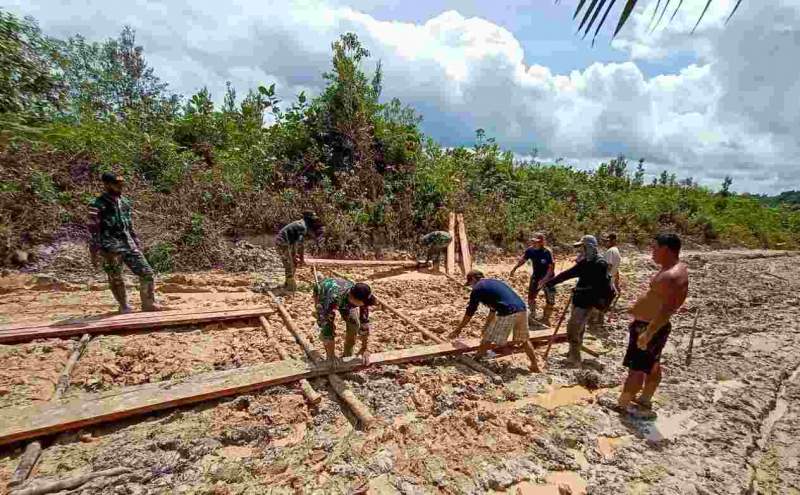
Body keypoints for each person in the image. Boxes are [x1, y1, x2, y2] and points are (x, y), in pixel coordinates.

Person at [616, 233, 688, 417]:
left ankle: (623, 406)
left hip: (649, 327)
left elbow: (668, 309)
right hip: (651, 326)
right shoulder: (672, 270)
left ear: (665, 249)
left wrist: (648, 333)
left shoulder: (672, 275)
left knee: (637, 367)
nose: (652, 252)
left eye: (655, 248)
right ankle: (645, 399)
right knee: (652, 363)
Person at [87, 172, 166, 313]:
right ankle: (123, 306)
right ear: (106, 185)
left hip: (128, 244)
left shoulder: (124, 202)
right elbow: (93, 229)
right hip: (109, 246)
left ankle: (148, 303)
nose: (120, 187)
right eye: (116, 184)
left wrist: (136, 242)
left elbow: (129, 226)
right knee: (116, 277)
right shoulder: (97, 204)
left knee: (147, 272)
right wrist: (94, 250)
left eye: (121, 184)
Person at [543, 235, 615, 367]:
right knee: (579, 329)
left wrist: (594, 301)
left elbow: (603, 287)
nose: (580, 251)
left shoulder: (600, 264)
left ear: (589, 247)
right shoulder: (584, 263)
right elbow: (568, 274)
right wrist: (551, 283)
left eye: (582, 248)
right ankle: (573, 352)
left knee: (572, 328)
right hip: (578, 299)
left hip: (587, 302)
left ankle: (575, 359)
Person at [448, 270, 541, 372]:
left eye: (470, 283)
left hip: (508, 311)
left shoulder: (477, 289)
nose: (471, 286)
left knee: (488, 338)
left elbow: (470, 311)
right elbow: (493, 309)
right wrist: (487, 325)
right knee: (524, 340)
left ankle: (476, 359)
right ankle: (534, 365)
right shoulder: (494, 283)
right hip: (522, 309)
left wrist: (458, 329)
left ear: (473, 279)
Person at [313, 277, 377, 366]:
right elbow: (327, 327)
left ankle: (347, 354)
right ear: (352, 297)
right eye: (361, 304)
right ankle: (330, 355)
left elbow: (364, 322)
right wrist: (331, 356)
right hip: (323, 291)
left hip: (345, 300)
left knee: (354, 324)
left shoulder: (363, 297)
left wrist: (365, 348)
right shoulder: (332, 298)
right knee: (324, 321)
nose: (363, 306)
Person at [509, 233, 556, 326]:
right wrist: (514, 268)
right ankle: (532, 315)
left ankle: (546, 318)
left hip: (548, 277)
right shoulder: (530, 250)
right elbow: (523, 260)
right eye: (533, 241)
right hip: (536, 276)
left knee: (550, 298)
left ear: (542, 242)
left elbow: (551, 268)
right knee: (531, 296)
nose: (534, 243)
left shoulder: (547, 252)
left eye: (537, 242)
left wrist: (544, 280)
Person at [276, 211, 324, 291]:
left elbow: (295, 241)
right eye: (313, 220)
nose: (314, 222)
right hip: (282, 243)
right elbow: (300, 244)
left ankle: (288, 283)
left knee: (293, 263)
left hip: (287, 243)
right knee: (289, 264)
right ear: (308, 219)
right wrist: (301, 259)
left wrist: (295, 255)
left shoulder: (301, 224)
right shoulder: (303, 226)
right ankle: (290, 286)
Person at [591, 232, 622, 325]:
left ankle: (594, 323)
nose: (605, 243)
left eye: (607, 241)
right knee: (603, 302)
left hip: (604, 281)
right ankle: (599, 321)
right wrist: (617, 284)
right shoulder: (616, 251)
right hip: (609, 281)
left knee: (597, 301)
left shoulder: (611, 251)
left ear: (613, 241)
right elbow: (616, 270)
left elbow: (608, 266)